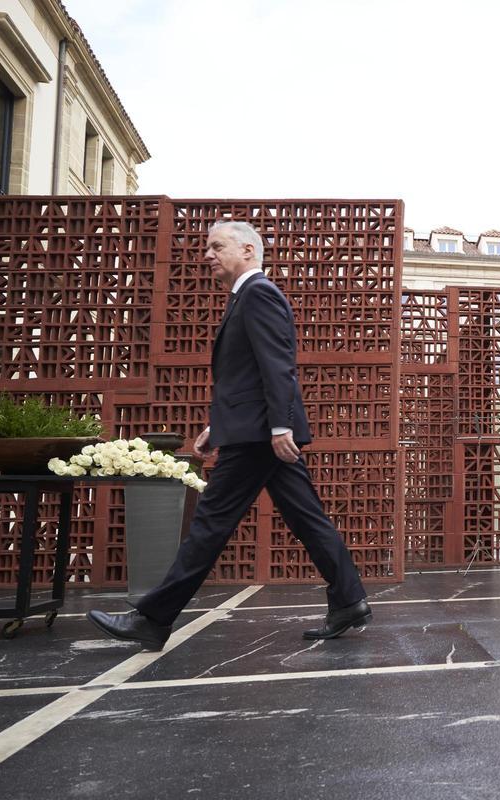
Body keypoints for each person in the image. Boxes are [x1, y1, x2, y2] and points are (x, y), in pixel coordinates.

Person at [88, 221, 370, 650]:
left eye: (217, 246)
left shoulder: (258, 293)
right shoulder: (245, 297)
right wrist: (217, 428)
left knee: (210, 524)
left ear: (249, 251)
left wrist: (279, 426)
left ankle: (153, 619)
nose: (207, 255)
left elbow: (278, 364)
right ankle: (349, 600)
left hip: (259, 437)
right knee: (306, 518)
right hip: (254, 430)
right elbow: (248, 375)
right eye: (207, 248)